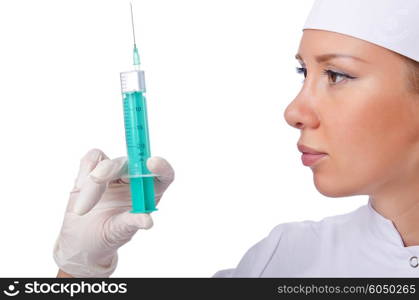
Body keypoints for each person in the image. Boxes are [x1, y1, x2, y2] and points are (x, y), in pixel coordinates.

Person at [54, 0, 419, 277]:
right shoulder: (286, 260)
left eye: (336, 75)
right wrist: (78, 271)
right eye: (302, 72)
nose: (294, 112)